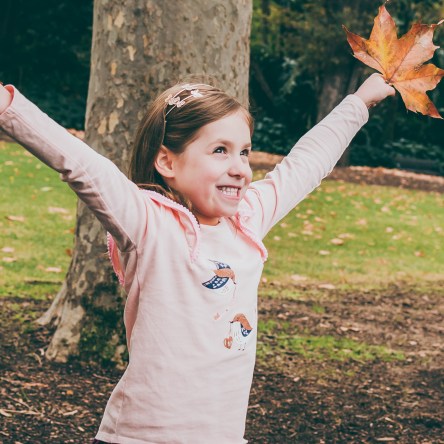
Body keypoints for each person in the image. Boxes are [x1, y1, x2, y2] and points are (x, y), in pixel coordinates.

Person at [0, 74, 395, 444]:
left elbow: (306, 164)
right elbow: (83, 165)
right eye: (220, 151)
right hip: (142, 436)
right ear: (167, 162)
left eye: (244, 151)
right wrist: (7, 106)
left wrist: (359, 102)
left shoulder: (248, 218)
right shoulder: (148, 224)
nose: (240, 168)